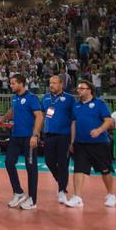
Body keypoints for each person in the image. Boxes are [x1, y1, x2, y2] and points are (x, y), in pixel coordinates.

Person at [66, 80, 116, 209]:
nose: (79, 90)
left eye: (82, 88)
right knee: (78, 170)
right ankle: (77, 197)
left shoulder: (99, 103)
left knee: (105, 170)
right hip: (80, 143)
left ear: (90, 90)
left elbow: (109, 121)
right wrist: (72, 141)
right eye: (78, 88)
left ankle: (111, 194)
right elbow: (73, 123)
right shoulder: (76, 105)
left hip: (99, 143)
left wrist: (99, 130)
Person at [0, 73, 44, 210]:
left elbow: (39, 116)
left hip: (29, 137)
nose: (10, 85)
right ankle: (18, 192)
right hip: (16, 136)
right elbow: (13, 110)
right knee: (9, 162)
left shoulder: (31, 98)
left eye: (13, 83)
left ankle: (32, 200)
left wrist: (35, 135)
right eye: (10, 83)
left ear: (21, 84)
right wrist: (3, 119)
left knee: (31, 168)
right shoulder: (15, 98)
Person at [41, 74, 75, 204]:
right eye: (50, 83)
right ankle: (60, 180)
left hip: (64, 136)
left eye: (54, 83)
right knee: (48, 161)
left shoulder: (70, 99)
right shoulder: (45, 98)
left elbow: (74, 120)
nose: (51, 85)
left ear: (61, 84)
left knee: (63, 164)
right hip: (48, 134)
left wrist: (73, 140)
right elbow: (42, 115)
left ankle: (62, 190)